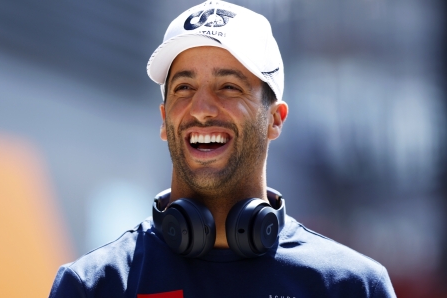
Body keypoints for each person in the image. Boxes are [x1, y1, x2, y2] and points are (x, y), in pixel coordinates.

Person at [49, 1, 396, 297]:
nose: (201, 109)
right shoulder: (94, 286)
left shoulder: (352, 287)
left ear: (275, 119)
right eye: (183, 87)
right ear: (164, 118)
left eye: (228, 87)